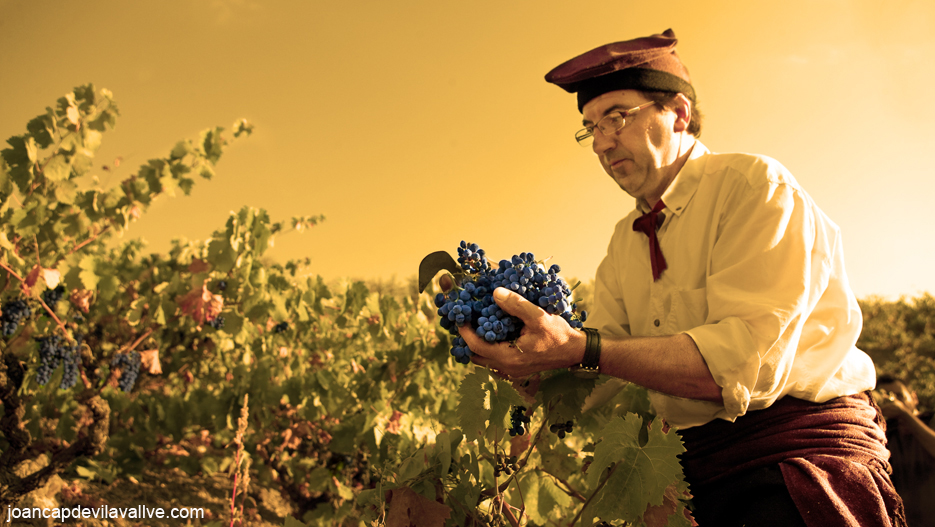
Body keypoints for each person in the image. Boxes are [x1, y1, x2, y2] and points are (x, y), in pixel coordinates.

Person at [458, 29, 907, 526]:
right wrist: (526, 371)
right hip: (694, 473)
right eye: (590, 127)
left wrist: (581, 349)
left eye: (616, 118)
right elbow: (590, 373)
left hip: (795, 457)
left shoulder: (756, 188)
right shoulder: (624, 242)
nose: (601, 143)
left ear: (678, 113)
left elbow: (739, 366)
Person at [876, 374, 935, 526]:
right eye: (888, 396)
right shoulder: (882, 433)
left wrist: (904, 414)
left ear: (914, 397)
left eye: (900, 395)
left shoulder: (931, 419)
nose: (894, 400)